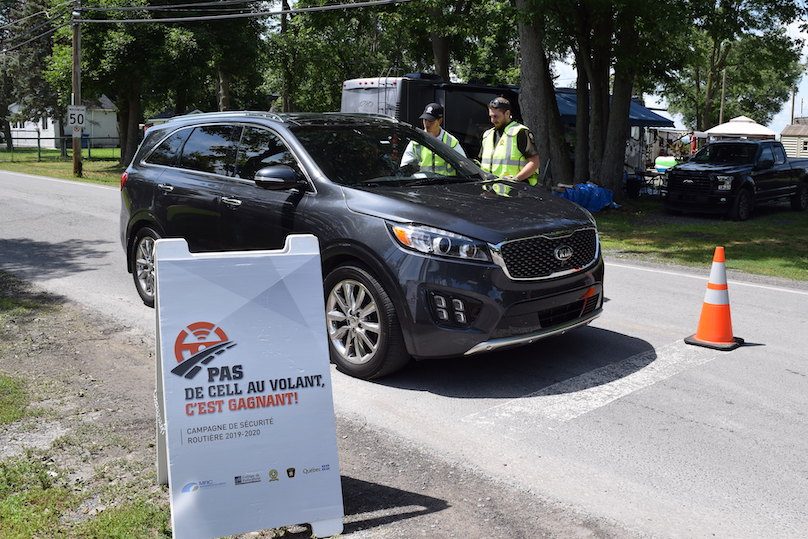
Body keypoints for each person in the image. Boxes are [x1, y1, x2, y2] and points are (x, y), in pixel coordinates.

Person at [479, 97, 539, 185]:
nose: (493, 120)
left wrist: (515, 180)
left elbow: (534, 162)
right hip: (490, 190)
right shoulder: (487, 135)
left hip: (515, 191)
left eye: (496, 116)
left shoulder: (520, 132)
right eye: (491, 116)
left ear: (507, 113)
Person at [400, 102, 466, 175]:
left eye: (431, 121)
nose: (427, 124)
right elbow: (404, 167)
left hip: (446, 183)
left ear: (440, 121)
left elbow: (464, 164)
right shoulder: (415, 141)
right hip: (422, 184)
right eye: (425, 120)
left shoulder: (451, 141)